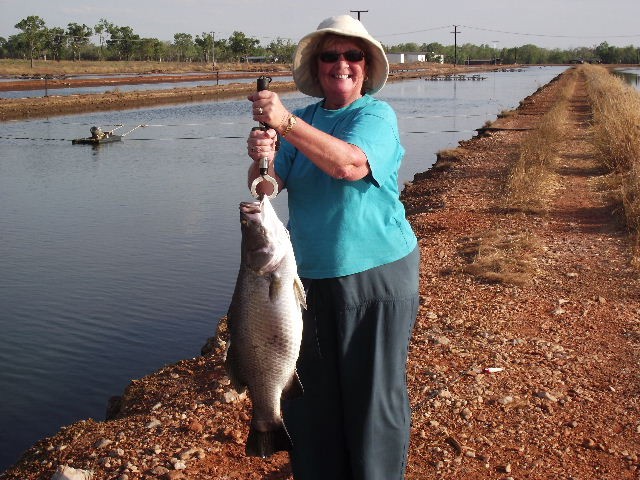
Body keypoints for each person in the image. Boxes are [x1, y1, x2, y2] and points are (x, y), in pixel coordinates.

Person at [246, 14, 419, 480]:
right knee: (309, 399)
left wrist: (281, 122)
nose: (340, 64)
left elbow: (349, 165)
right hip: (303, 281)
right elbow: (268, 187)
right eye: (330, 55)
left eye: (351, 55)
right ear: (317, 66)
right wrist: (262, 155)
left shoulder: (375, 115)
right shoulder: (300, 123)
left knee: (372, 398)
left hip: (376, 275)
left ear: (366, 65)